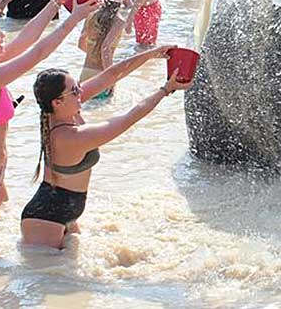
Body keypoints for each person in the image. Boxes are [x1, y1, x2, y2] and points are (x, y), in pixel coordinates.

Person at [0, 0, 99, 221]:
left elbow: (28, 38)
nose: (3, 35)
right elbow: (37, 54)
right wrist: (74, 18)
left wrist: (55, 3)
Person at [20, 51, 192, 248]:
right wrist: (165, 90)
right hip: (45, 220)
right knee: (48, 277)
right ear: (57, 102)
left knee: (67, 275)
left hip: (63, 213)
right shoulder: (70, 137)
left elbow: (111, 75)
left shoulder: (60, 112)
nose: (80, 93)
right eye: (74, 91)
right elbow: (129, 118)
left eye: (78, 87)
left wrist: (152, 54)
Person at [78, 0, 127, 100]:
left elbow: (80, 43)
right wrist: (111, 78)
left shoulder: (91, 15)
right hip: (101, 75)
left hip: (85, 73)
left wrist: (92, 52)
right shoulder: (119, 22)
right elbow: (105, 48)